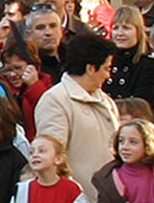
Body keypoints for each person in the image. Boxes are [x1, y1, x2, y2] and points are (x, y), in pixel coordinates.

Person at [35, 32, 121, 190]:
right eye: (106, 68)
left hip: (109, 200)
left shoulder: (106, 101)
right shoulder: (55, 101)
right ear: (90, 68)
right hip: (78, 202)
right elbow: (52, 158)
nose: (108, 76)